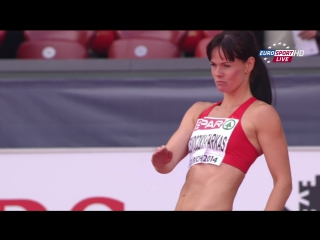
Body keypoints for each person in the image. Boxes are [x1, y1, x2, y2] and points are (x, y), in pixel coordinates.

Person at [151, 30, 292, 211]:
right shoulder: (198, 111)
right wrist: (160, 162)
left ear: (248, 65)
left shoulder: (261, 114)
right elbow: (167, 165)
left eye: (226, 65)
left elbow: (283, 182)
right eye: (213, 65)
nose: (218, 73)